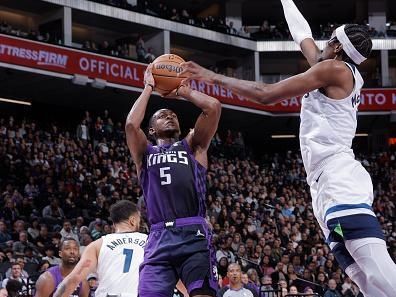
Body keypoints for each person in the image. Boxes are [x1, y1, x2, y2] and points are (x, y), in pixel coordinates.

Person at [179, 1, 396, 296]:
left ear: (338, 48)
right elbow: (301, 35)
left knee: (380, 272)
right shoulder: (332, 67)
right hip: (323, 183)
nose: (325, 43)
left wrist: (210, 76)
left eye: (331, 39)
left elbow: (266, 95)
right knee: (364, 279)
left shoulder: (335, 70)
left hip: (339, 177)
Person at [125, 64, 221, 297]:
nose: (169, 116)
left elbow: (213, 107)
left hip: (193, 233)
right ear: (151, 130)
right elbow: (130, 125)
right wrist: (149, 86)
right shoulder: (144, 153)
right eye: (161, 116)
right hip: (159, 238)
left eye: (173, 115)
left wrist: (183, 91)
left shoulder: (193, 146)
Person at [52, 200, 147, 297]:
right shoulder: (150, 242)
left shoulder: (97, 245)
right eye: (139, 219)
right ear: (133, 220)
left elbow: (73, 279)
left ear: (113, 224)